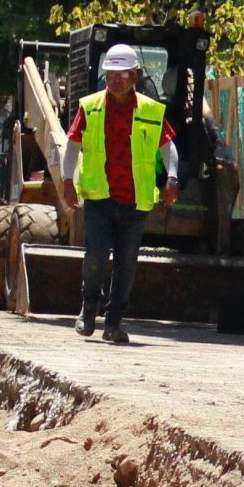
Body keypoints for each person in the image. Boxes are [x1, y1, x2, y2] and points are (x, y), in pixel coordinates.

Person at [61, 43, 173, 345]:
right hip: (99, 199)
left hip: (134, 203)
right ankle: (89, 309)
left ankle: (113, 323)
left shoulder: (150, 110)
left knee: (127, 264)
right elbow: (72, 146)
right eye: (110, 74)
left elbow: (168, 148)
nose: (115, 80)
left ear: (134, 76)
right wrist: (66, 181)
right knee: (96, 255)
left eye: (122, 75)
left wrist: (172, 177)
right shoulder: (91, 107)